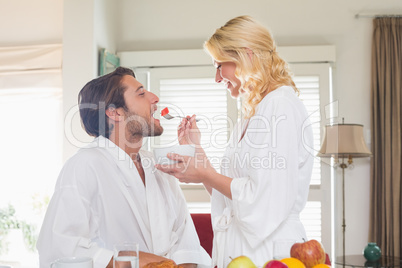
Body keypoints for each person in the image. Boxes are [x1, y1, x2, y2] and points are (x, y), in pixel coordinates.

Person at [156, 15, 314, 267]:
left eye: (220, 65)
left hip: (268, 251)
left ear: (247, 56)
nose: (217, 78)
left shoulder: (280, 106)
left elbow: (263, 200)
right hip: (241, 251)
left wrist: (204, 172)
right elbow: (228, 196)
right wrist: (197, 150)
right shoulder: (252, 114)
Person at [36, 67, 211, 268]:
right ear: (115, 112)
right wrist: (136, 259)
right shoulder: (84, 165)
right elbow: (60, 245)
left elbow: (185, 238)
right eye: (142, 93)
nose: (155, 98)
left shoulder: (157, 167)